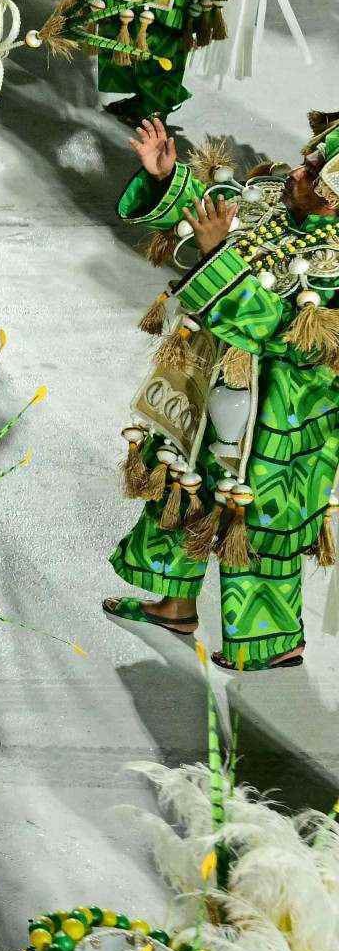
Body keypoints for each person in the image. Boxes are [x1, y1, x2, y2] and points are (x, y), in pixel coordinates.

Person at [107, 115, 339, 673]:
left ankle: (269, 639)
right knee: (186, 484)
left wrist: (219, 261)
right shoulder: (273, 197)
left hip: (284, 415)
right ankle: (175, 602)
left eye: (314, 172)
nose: (299, 169)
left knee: (259, 519)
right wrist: (167, 180)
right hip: (210, 385)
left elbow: (288, 337)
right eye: (309, 159)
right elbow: (218, 208)